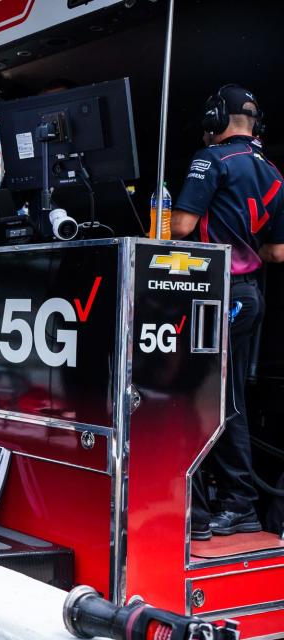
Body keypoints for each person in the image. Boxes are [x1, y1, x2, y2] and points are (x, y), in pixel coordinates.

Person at [170, 84, 284, 540]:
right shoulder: (273, 170)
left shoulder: (211, 160)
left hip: (215, 290)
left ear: (217, 117)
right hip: (248, 293)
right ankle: (232, 501)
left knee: (204, 395)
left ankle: (233, 502)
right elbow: (277, 253)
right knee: (225, 396)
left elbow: (180, 226)